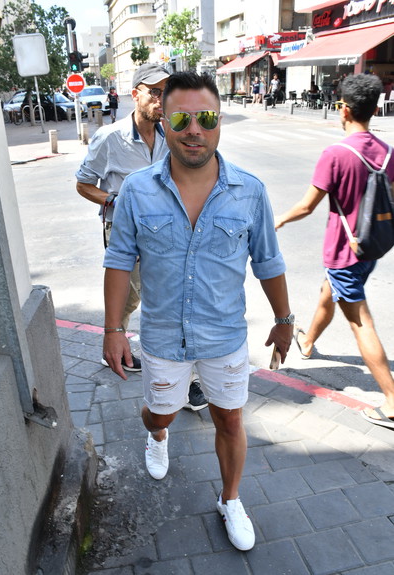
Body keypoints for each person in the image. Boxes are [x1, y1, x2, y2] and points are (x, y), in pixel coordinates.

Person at [102, 71, 293, 550]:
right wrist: (113, 329)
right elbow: (119, 260)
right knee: (160, 415)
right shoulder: (136, 191)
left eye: (206, 118)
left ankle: (230, 499)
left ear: (220, 122)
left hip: (224, 337)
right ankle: (157, 435)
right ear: (163, 122)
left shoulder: (250, 192)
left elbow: (269, 262)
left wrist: (284, 320)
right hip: (163, 338)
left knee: (230, 420)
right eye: (181, 119)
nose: (194, 130)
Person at [75, 63, 207, 409]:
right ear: (135, 94)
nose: (162, 99)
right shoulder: (110, 138)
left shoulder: (171, 134)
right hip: (124, 232)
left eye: (167, 92)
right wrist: (116, 201)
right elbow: (83, 184)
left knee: (173, 299)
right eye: (154, 92)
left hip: (166, 233)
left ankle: (187, 381)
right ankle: (116, 341)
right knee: (133, 296)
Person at [275, 73, 394, 430]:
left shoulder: (336, 154)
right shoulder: (388, 153)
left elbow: (307, 206)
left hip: (345, 252)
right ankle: (308, 341)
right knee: (330, 292)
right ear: (374, 109)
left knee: (360, 322)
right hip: (372, 247)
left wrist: (278, 220)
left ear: (343, 109)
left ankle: (391, 400)